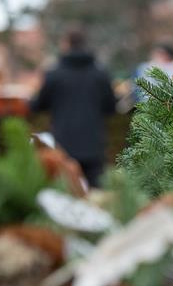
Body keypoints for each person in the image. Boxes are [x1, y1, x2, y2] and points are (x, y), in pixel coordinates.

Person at [31, 27, 116, 187]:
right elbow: (111, 107)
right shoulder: (100, 74)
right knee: (97, 194)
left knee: (67, 191)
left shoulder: (54, 74)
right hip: (94, 143)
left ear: (66, 44)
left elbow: (38, 105)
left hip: (64, 144)